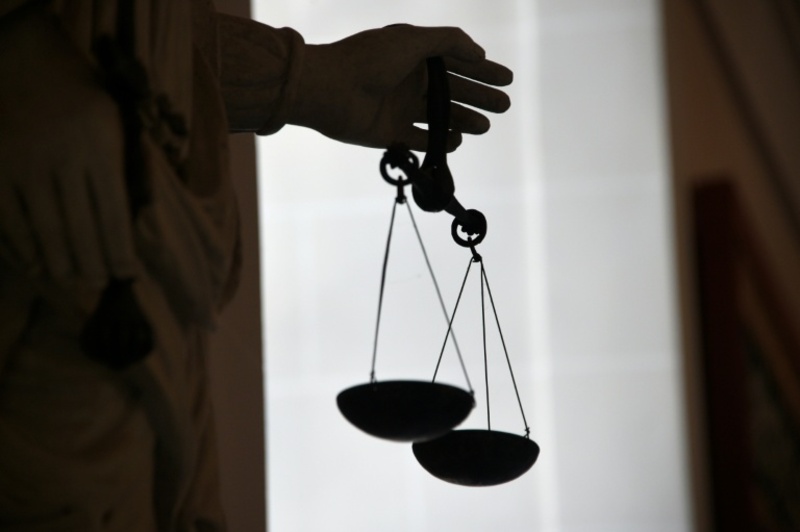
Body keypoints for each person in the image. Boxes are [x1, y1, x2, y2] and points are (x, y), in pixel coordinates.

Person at [0, 1, 512, 530]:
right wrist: (23, 73)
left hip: (153, 263)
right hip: (56, 235)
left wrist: (312, 79)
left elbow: (163, 45)